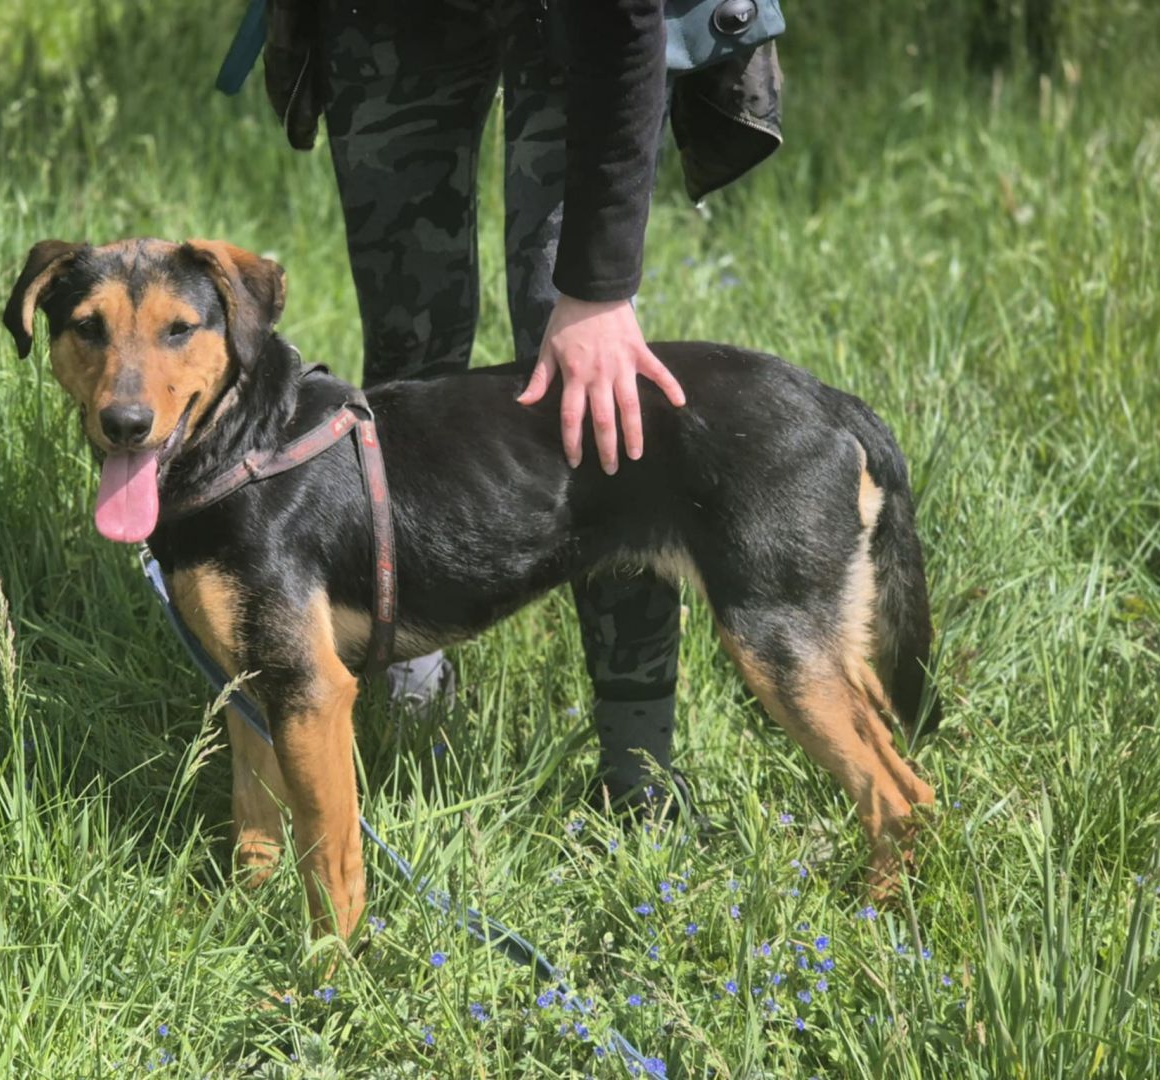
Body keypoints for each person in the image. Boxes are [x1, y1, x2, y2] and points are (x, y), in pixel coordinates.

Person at [232, 0, 784, 804]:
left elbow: (622, 31)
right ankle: (408, 686)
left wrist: (599, 289)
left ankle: (638, 775)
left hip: (583, 22)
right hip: (392, 19)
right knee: (407, 363)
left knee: (594, 404)